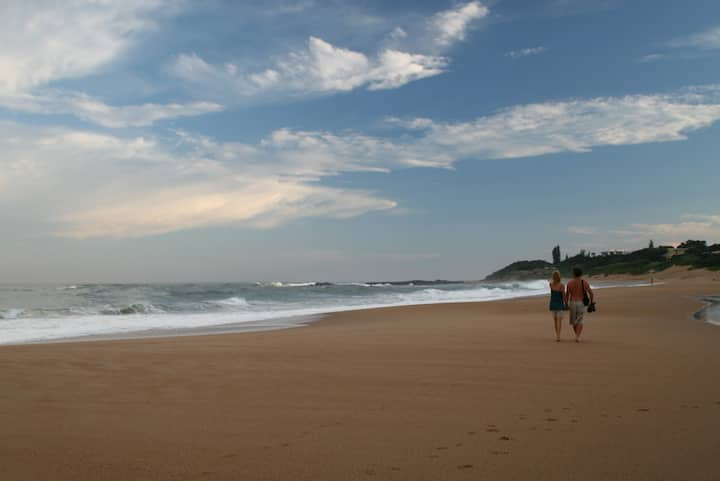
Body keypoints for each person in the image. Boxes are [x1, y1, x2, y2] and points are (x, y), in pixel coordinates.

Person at [564, 267, 594, 342]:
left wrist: (566, 304)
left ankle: (577, 336)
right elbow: (591, 293)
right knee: (580, 320)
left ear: (574, 274)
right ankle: (578, 336)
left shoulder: (569, 283)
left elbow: (567, 295)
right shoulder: (584, 282)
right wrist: (591, 301)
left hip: (572, 302)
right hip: (581, 303)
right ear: (581, 274)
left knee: (573, 321)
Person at [548, 270, 566, 342]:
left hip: (552, 304)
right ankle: (558, 335)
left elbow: (552, 293)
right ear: (559, 276)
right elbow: (563, 296)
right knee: (559, 321)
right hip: (560, 304)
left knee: (555, 321)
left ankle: (557, 335)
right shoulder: (561, 285)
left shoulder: (551, 284)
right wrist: (566, 303)